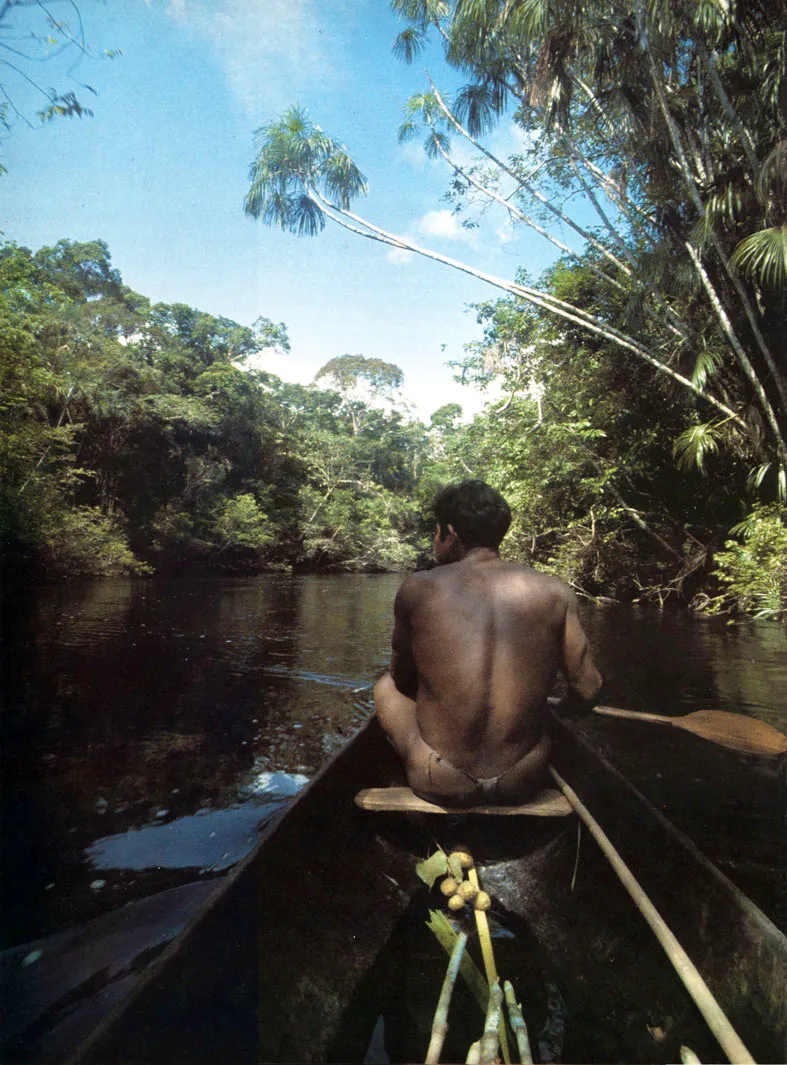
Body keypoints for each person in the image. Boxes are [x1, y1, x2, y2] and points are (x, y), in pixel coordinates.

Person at [374, 480, 602, 807]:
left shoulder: (418, 588)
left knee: (384, 686)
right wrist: (558, 711)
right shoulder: (554, 592)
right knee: (538, 723)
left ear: (450, 533)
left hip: (438, 778)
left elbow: (402, 678)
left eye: (435, 531)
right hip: (520, 779)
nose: (433, 539)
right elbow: (588, 688)